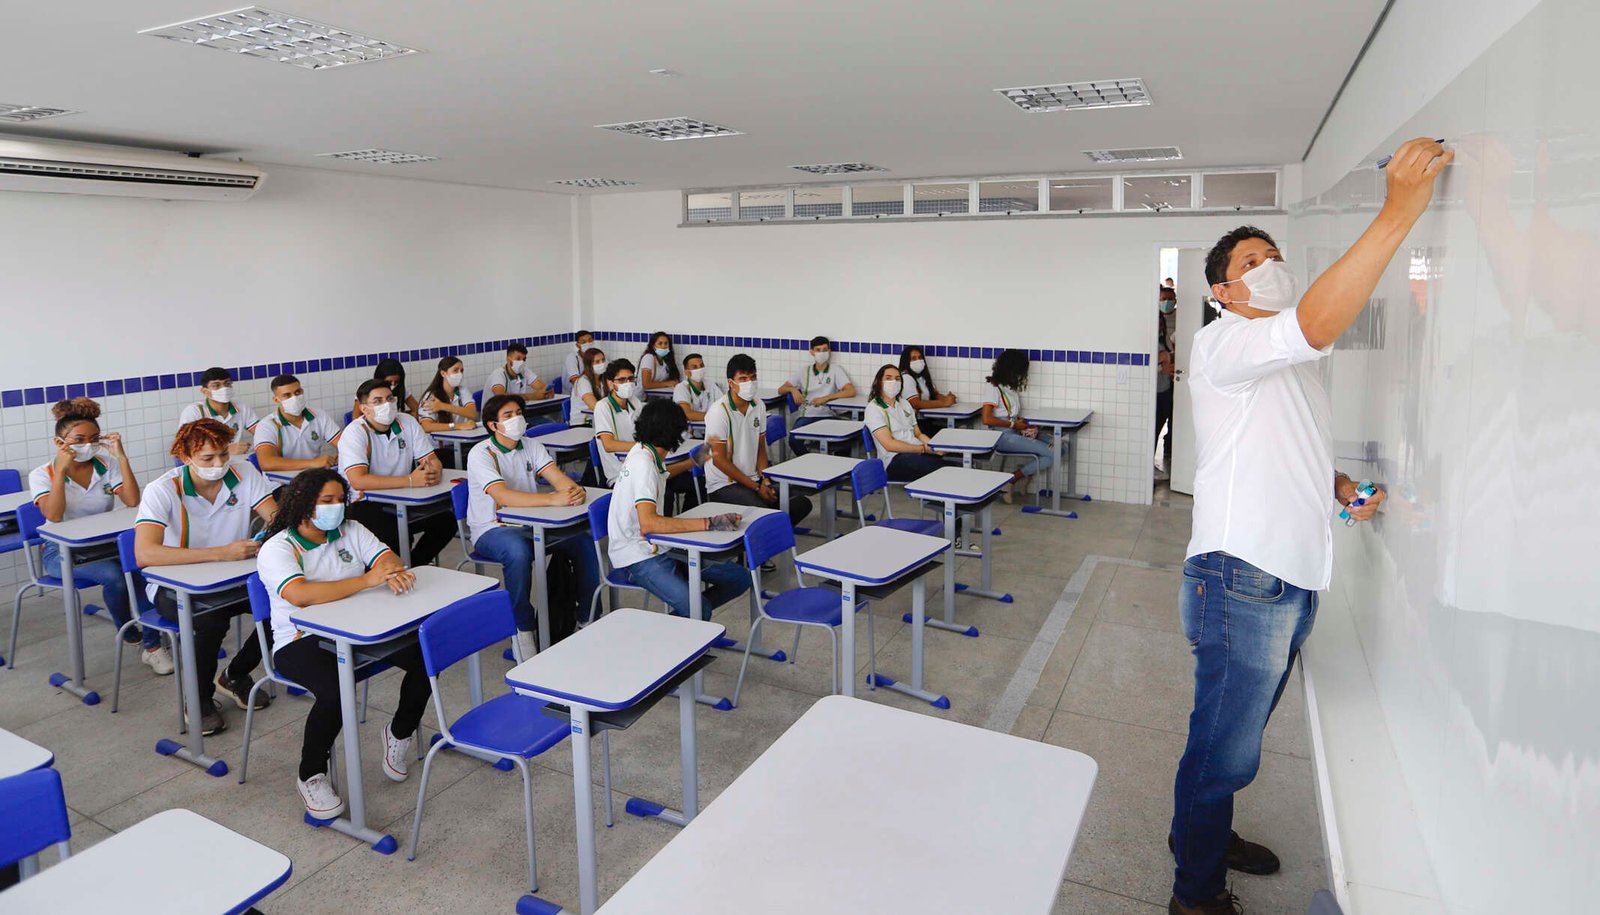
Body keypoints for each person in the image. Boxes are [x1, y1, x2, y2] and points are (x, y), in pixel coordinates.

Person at [1167, 138, 1447, 915]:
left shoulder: (1283, 363)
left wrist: (1342, 484)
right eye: (1252, 261)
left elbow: (1285, 449)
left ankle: (1206, 834)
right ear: (1223, 290)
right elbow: (1320, 319)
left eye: (1274, 253)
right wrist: (1397, 213)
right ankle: (1192, 894)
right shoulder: (1224, 343)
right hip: (1241, 577)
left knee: (1233, 743)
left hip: (1286, 576)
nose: (1270, 264)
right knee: (1221, 752)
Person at [255, 469, 425, 820]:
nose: (335, 508)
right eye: (326, 501)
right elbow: (300, 595)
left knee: (428, 656)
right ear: (303, 505)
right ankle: (311, 773)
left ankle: (399, 733)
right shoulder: (278, 548)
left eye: (339, 501)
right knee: (335, 692)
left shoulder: (350, 529)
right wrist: (366, 580)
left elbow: (386, 557)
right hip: (300, 640)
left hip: (359, 629)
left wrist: (390, 570)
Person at [135, 419, 278, 736]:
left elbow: (275, 516)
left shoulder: (244, 472)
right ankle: (198, 700)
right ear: (185, 457)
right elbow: (145, 554)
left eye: (224, 455)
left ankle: (235, 674)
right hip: (175, 587)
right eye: (208, 459)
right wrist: (221, 552)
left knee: (285, 604)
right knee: (209, 622)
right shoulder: (163, 489)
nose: (219, 464)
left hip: (235, 577)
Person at [30, 398, 166, 670]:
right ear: (60, 441)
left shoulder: (105, 464)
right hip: (63, 553)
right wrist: (61, 470)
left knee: (143, 569)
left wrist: (122, 457)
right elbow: (54, 515)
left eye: (94, 438)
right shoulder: (42, 474)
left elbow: (131, 500)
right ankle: (130, 633)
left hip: (106, 545)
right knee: (115, 578)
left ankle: (153, 644)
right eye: (79, 439)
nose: (87, 445)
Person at [466, 394, 600, 659]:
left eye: (518, 412)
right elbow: (502, 497)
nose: (517, 419)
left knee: (582, 542)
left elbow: (558, 479)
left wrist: (573, 492)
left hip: (533, 523)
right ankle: (522, 630)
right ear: (493, 425)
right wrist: (552, 498)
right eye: (508, 416)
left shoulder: (530, 445)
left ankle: (588, 618)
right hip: (492, 528)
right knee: (518, 553)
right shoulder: (481, 454)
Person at [607, 400, 747, 619]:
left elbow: (661, 475)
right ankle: (690, 621)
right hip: (638, 555)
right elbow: (649, 523)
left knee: (739, 579)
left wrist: (695, 461)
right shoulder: (643, 464)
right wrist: (711, 522)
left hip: (659, 543)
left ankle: (687, 622)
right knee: (699, 609)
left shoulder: (644, 450)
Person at [338, 378, 455, 568]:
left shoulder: (407, 422)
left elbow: (432, 459)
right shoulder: (355, 433)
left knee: (446, 521)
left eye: (390, 399)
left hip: (403, 497)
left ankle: (415, 566)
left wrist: (434, 471)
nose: (387, 405)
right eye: (378, 401)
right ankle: (400, 568)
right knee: (393, 536)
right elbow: (358, 481)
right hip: (365, 503)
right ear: (364, 408)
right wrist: (409, 480)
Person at [703, 354, 811, 526]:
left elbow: (760, 449)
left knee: (803, 502)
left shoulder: (758, 405)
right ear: (731, 383)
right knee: (765, 516)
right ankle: (769, 531)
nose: (750, 383)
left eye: (753, 378)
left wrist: (765, 480)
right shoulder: (719, 412)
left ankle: (772, 530)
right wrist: (756, 488)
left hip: (753, 480)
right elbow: (719, 461)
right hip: (724, 485)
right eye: (743, 379)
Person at [593, 360, 699, 510]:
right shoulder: (603, 407)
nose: (628, 383)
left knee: (694, 482)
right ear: (611, 383)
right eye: (622, 380)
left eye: (631, 379)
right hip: (621, 472)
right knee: (665, 492)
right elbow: (608, 445)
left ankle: (682, 524)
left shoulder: (634, 402)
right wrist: (644, 447)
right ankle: (664, 529)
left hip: (647, 462)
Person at [979, 349, 1053, 503]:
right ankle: (1011, 480)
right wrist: (1014, 424)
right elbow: (986, 419)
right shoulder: (993, 387)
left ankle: (1021, 474)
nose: (1022, 375)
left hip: (1015, 431)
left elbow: (1012, 414)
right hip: (1001, 436)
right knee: (1052, 454)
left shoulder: (1010, 387)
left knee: (1061, 447)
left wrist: (1026, 425)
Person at [864, 364, 945, 481]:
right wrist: (922, 449)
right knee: (942, 469)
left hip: (915, 451)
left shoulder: (904, 404)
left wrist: (933, 446)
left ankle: (935, 498)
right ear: (879, 382)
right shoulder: (874, 408)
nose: (894, 382)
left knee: (949, 465)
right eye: (888, 378)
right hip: (894, 459)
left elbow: (918, 434)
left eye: (897, 379)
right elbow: (889, 445)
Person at [778, 335, 855, 454]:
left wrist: (826, 398)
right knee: (794, 440)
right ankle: (809, 463)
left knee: (845, 442)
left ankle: (835, 468)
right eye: (818, 350)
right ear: (812, 352)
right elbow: (781, 389)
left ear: (829, 351)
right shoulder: (804, 371)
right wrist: (793, 390)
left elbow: (850, 391)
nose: (821, 353)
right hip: (808, 415)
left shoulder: (835, 370)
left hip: (829, 414)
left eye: (825, 350)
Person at [252, 374, 342, 473]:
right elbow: (267, 463)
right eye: (287, 395)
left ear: (302, 392)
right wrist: (313, 463)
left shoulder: (319, 416)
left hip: (314, 478)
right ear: (276, 400)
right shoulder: (267, 425)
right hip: (281, 483)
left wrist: (343, 455)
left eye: (297, 392)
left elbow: (344, 444)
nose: (294, 398)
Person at [178, 367, 258, 456]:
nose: (224, 389)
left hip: (234, 460)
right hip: (205, 463)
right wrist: (225, 450)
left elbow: (261, 431)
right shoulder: (194, 411)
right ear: (205, 391)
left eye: (227, 383)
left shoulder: (241, 408)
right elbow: (185, 445)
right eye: (216, 385)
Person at [898, 345, 958, 437]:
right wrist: (944, 403)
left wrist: (947, 399)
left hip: (927, 421)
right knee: (948, 435)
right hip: (914, 425)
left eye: (920, 357)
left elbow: (934, 394)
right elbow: (915, 403)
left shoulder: (922, 377)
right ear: (906, 361)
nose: (918, 361)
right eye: (913, 358)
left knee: (952, 432)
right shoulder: (906, 378)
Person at [416, 356, 479, 434]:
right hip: (442, 443)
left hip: (462, 438)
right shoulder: (431, 396)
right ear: (443, 373)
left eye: (461, 371)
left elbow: (472, 414)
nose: (460, 374)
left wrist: (443, 406)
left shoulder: (463, 390)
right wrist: (457, 426)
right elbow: (426, 426)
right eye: (455, 370)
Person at [1154, 291, 1177, 481]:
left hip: (1165, 390)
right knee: (1152, 431)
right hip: (1154, 392)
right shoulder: (1148, 342)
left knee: (1165, 424)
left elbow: (1168, 361)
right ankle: (1148, 467)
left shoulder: (1165, 340)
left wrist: (1167, 365)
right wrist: (1161, 365)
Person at [486, 342, 551, 401]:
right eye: (518, 359)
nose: (521, 362)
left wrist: (547, 392)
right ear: (508, 359)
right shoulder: (498, 374)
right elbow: (500, 396)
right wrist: (531, 396)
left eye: (524, 359)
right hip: (494, 413)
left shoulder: (524, 371)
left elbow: (542, 387)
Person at [672, 352, 723, 422]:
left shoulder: (711, 385)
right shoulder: (681, 388)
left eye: (701, 365)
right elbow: (688, 414)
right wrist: (714, 416)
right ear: (687, 372)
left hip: (710, 428)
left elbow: (724, 405)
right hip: (690, 431)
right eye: (695, 367)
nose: (700, 369)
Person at [570, 346, 606, 426]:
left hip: (597, 420)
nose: (602, 364)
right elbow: (594, 406)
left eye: (603, 360)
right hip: (582, 424)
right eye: (597, 362)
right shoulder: (583, 382)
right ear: (589, 365)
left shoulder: (603, 379)